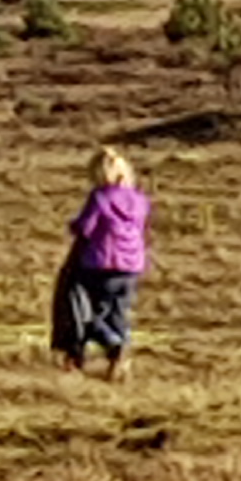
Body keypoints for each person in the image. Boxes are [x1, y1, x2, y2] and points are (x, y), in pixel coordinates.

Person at [53, 145, 147, 378]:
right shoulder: (140, 200)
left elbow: (86, 227)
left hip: (101, 263)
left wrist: (72, 225)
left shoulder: (100, 197)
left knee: (90, 315)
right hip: (131, 267)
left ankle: (114, 346)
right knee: (119, 312)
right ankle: (120, 362)